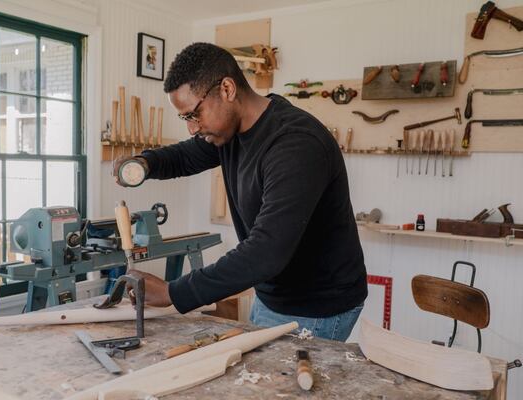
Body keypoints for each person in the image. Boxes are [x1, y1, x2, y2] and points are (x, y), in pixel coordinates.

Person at [114, 42, 367, 341]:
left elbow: (265, 252)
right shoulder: (231, 131)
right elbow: (184, 156)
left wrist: (173, 292)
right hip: (272, 294)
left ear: (227, 89)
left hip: (318, 305)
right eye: (186, 119)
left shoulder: (295, 144)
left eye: (194, 114)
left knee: (281, 386)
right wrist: (143, 164)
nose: (192, 129)